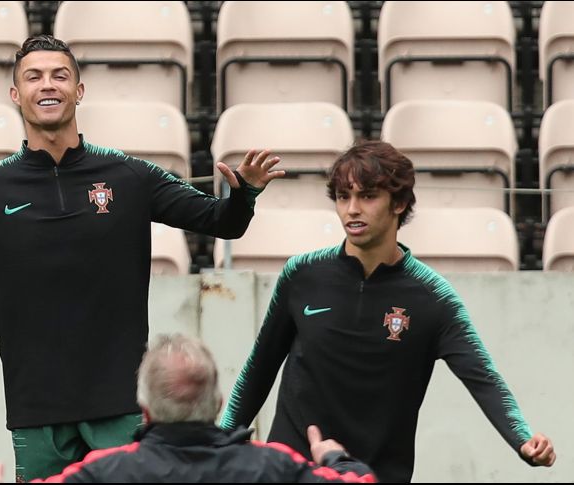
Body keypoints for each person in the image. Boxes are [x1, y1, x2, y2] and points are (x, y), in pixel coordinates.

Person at [0, 35, 284, 482]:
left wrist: (244, 194)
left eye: (60, 76)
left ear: (79, 90)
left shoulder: (130, 175)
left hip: (120, 403)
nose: (48, 85)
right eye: (34, 76)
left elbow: (222, 223)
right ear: (15, 94)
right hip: (36, 408)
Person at [219, 140, 556, 482]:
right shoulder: (301, 274)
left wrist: (523, 441)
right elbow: (258, 371)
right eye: (343, 196)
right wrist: (218, 444)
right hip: (291, 471)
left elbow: (484, 379)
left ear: (400, 203)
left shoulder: (433, 298)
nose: (352, 209)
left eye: (367, 196)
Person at [0, 334, 377, 483]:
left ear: (145, 411)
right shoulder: (273, 468)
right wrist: (336, 458)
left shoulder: (104, 472)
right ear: (218, 405)